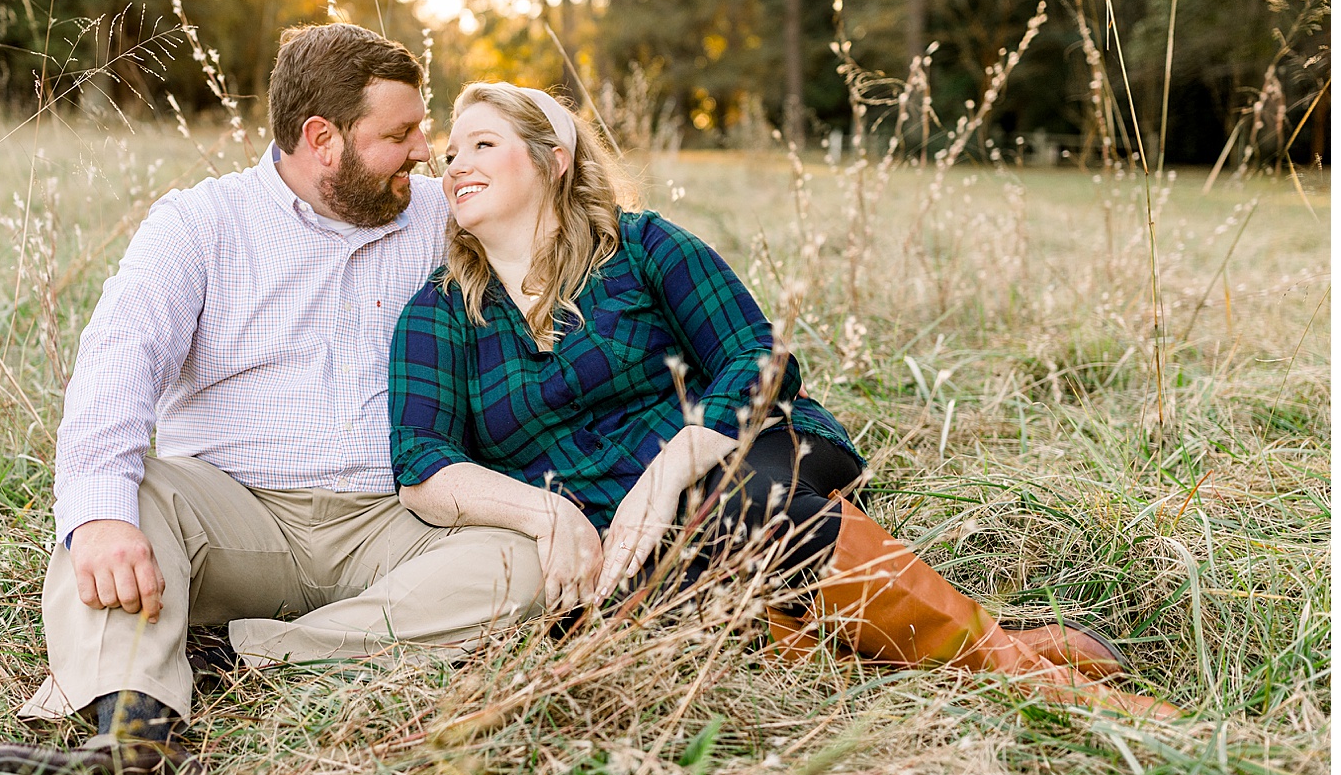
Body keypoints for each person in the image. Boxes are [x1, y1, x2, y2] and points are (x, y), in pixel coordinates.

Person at [388, 81, 1180, 720]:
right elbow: (423, 464)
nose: (455, 164)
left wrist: (668, 472)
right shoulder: (438, 313)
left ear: (554, 159)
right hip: (608, 540)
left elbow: (757, 358)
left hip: (744, 458)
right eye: (450, 153)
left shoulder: (642, 247)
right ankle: (995, 644)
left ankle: (1045, 686)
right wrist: (545, 514)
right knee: (674, 600)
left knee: (743, 503)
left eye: (483, 144)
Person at [0, 28, 546, 775]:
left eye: (424, 126)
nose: (427, 150)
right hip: (236, 513)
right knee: (121, 502)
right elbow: (118, 362)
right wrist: (100, 518)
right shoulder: (200, 224)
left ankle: (235, 654)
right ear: (322, 140)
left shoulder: (438, 222)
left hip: (399, 517)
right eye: (399, 134)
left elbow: (556, 253)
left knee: (526, 560)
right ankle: (135, 744)